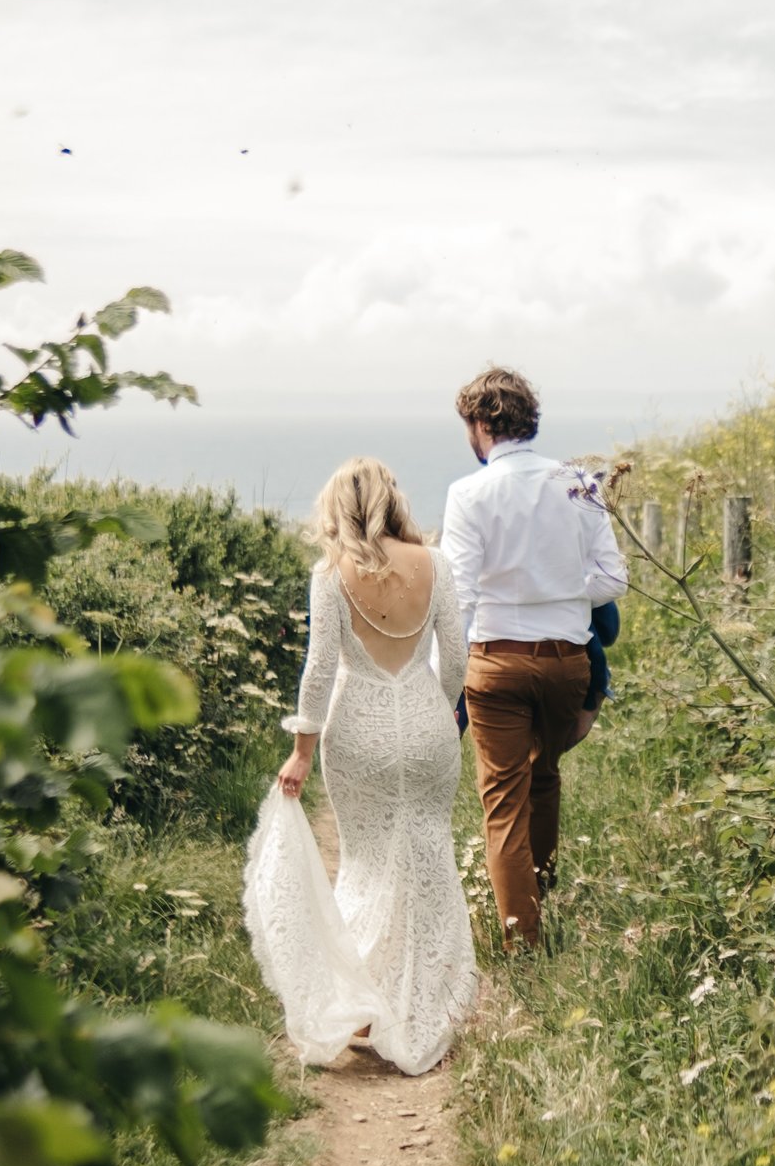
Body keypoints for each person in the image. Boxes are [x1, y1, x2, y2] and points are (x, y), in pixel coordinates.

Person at [242, 458, 477, 1075]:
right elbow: (455, 656)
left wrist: (301, 749)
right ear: (393, 501)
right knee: (428, 853)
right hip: (426, 725)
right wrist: (444, 710)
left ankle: (364, 1004)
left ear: (338, 510)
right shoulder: (436, 564)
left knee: (368, 861)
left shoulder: (331, 574)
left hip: (359, 734)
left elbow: (320, 670)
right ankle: (434, 995)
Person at [441, 368, 627, 949]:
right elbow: (613, 579)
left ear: (479, 425)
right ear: (529, 419)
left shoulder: (467, 494)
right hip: (567, 663)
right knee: (544, 778)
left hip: (496, 666)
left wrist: (442, 683)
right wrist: (561, 587)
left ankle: (524, 944)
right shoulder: (579, 484)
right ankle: (542, 896)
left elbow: (460, 597)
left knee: (502, 804)